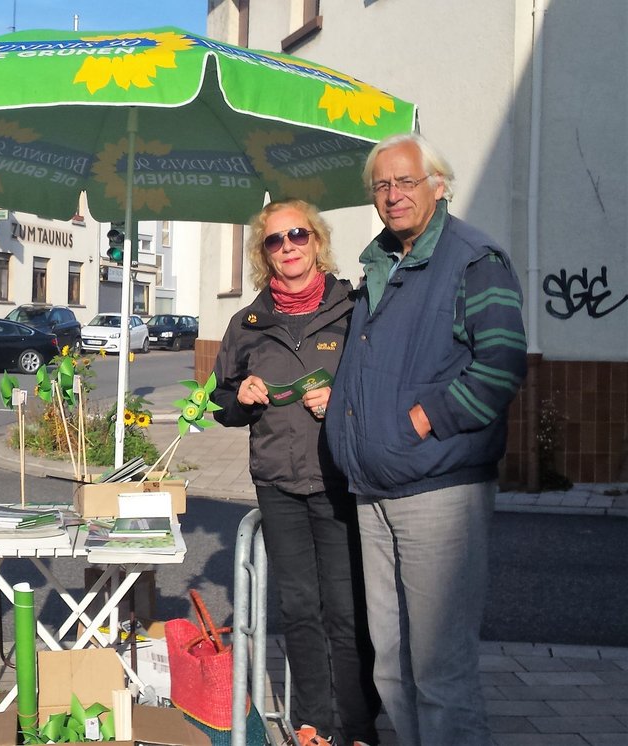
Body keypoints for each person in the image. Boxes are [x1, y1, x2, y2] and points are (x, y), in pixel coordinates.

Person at [325, 134, 527, 745]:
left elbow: (501, 366)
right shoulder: (382, 263)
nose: (393, 195)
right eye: (382, 185)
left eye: (406, 181)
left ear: (438, 186)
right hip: (373, 488)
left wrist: (424, 418)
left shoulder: (473, 259)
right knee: (391, 664)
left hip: (439, 486)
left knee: (440, 669)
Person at [211, 199, 381, 746]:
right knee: (300, 608)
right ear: (264, 253)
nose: (288, 247)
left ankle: (358, 725)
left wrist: (342, 401)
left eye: (298, 236)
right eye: (275, 240)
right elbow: (221, 400)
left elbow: (380, 387)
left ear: (317, 241)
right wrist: (240, 395)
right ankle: (313, 722)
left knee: (347, 611)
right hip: (278, 483)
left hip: (338, 479)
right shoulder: (247, 322)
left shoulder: (354, 310)